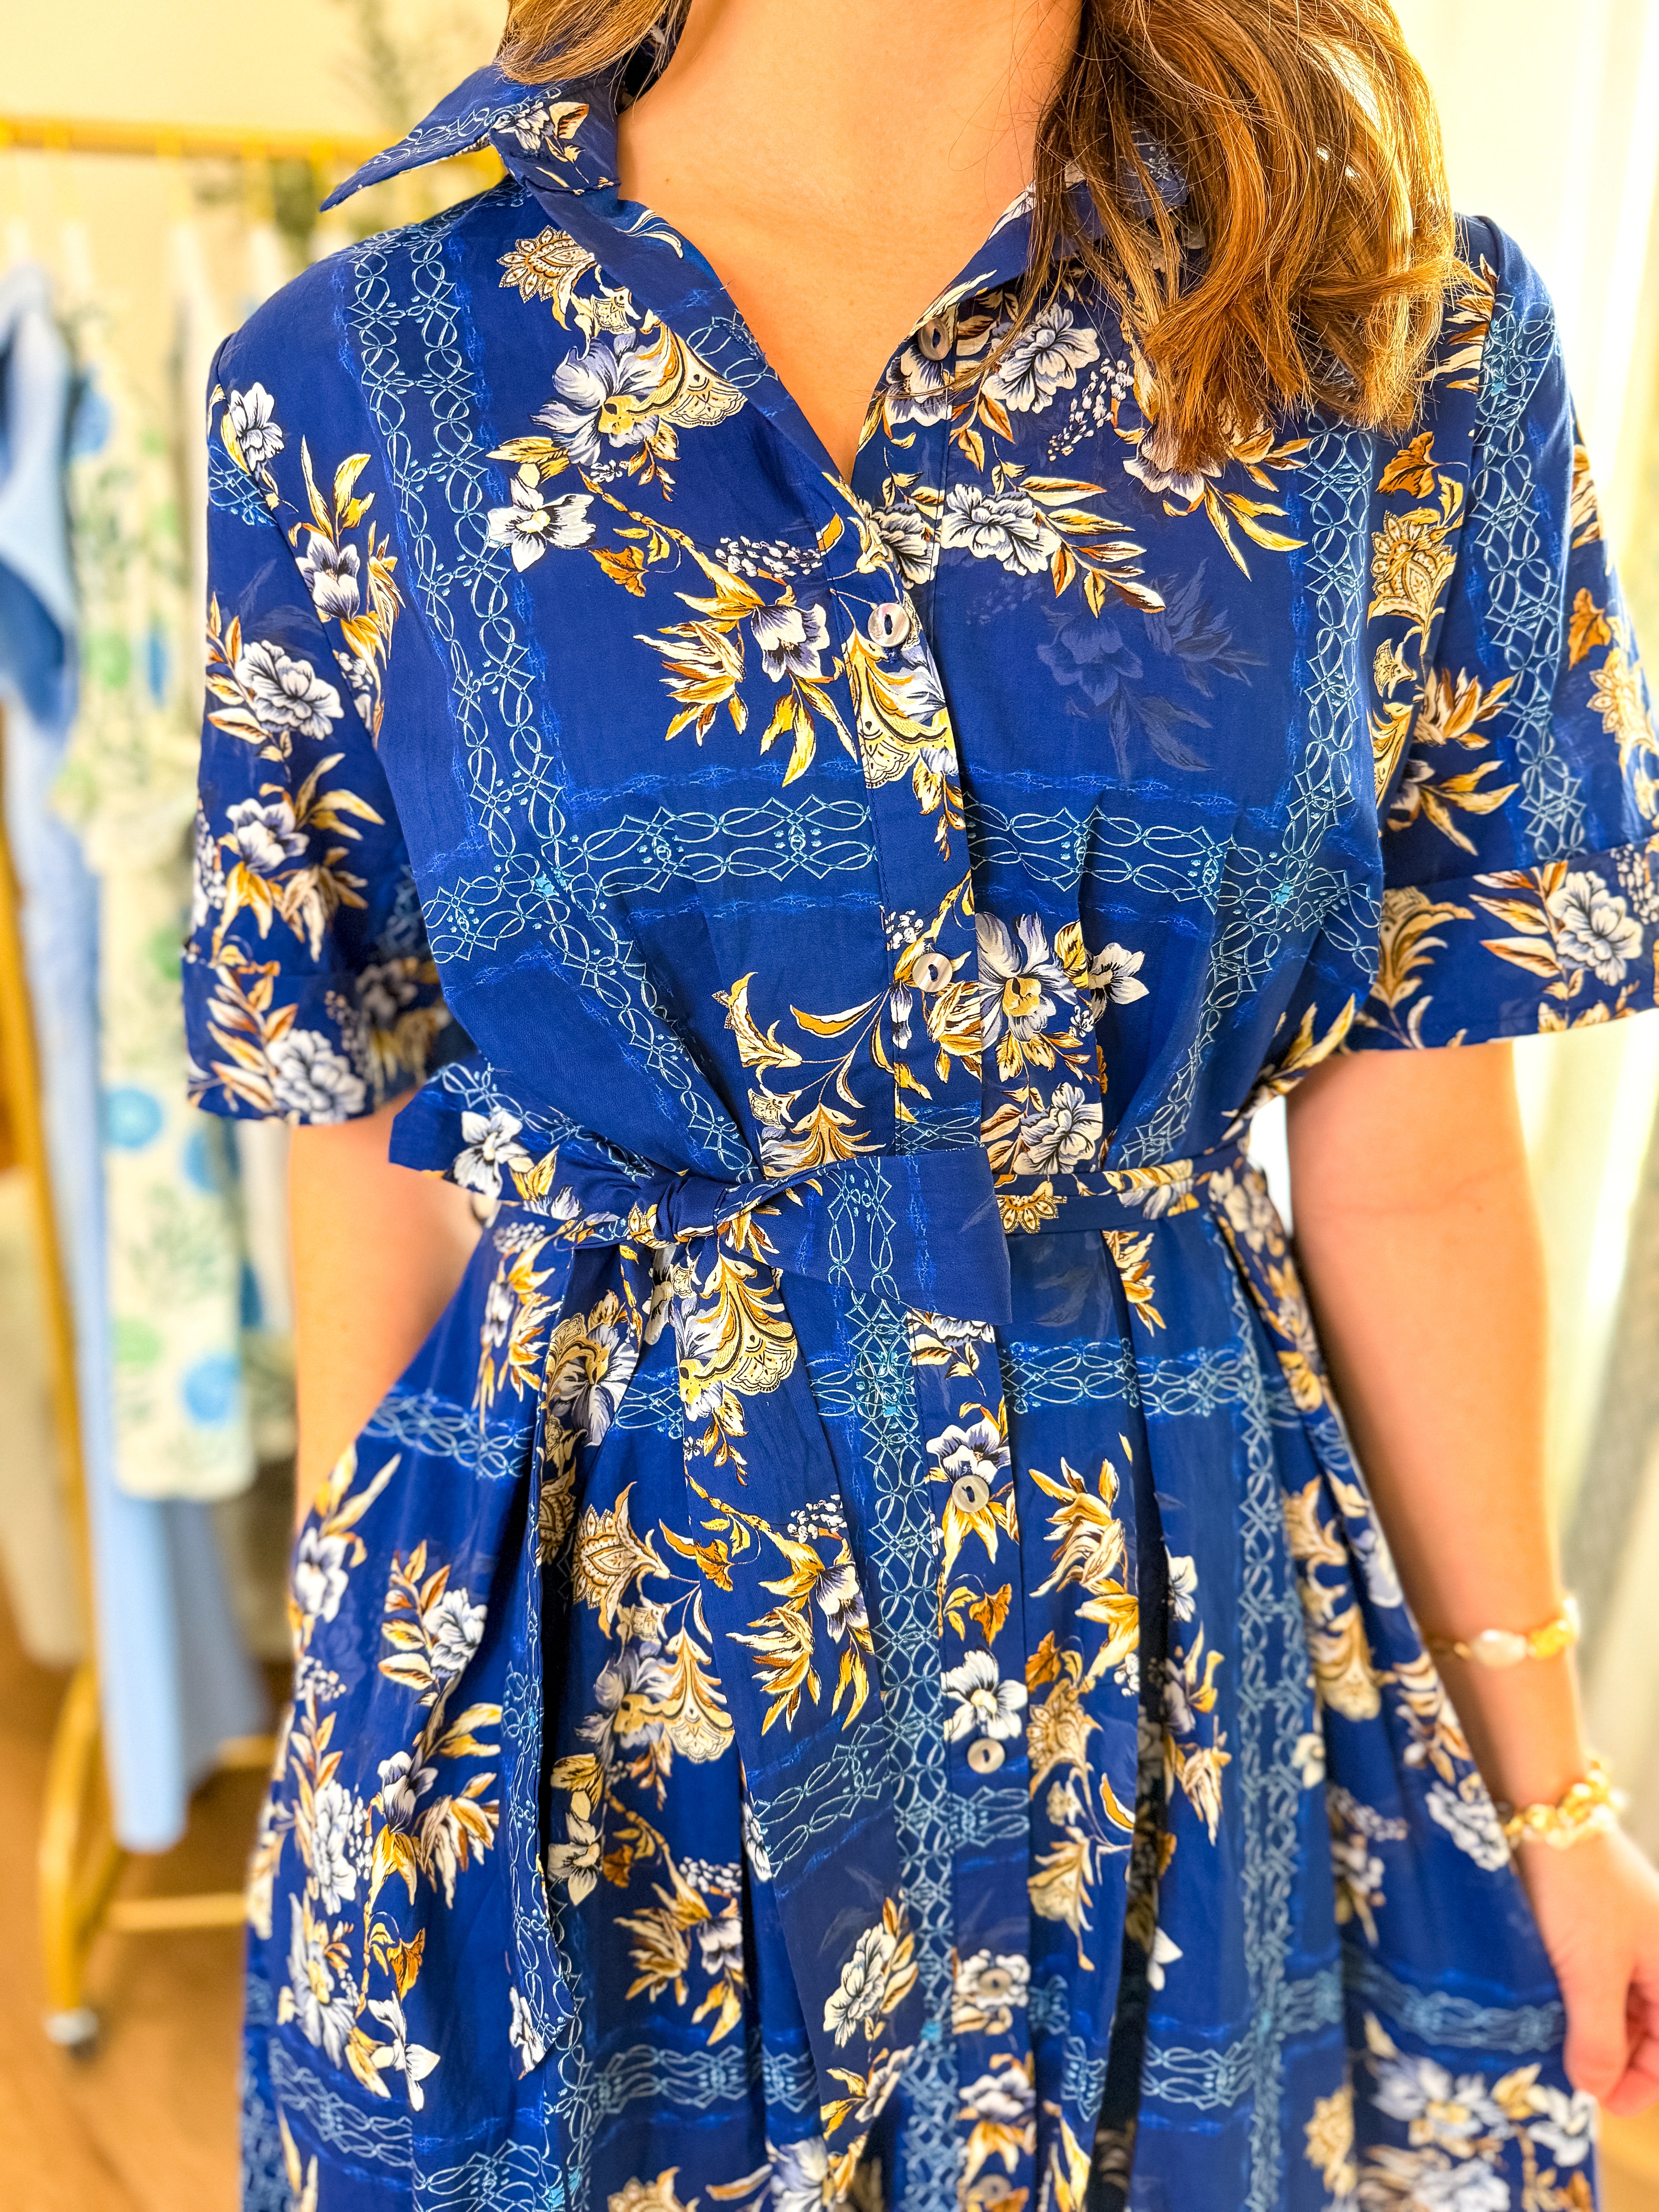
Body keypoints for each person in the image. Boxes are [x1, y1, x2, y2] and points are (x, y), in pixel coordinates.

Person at [186, 1, 1659, 2205]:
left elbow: (1418, 1168)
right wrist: (367, 1735)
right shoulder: (354, 378)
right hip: (583, 1697)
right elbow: (353, 1127)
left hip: (1171, 1658)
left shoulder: (1396, 338)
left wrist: (1549, 1796)